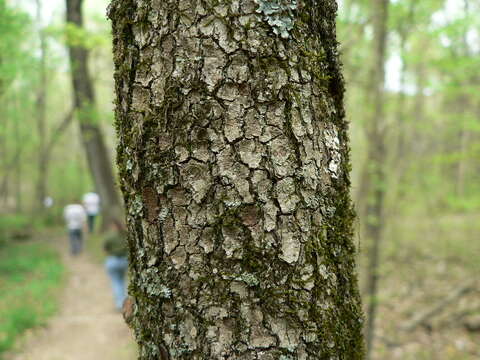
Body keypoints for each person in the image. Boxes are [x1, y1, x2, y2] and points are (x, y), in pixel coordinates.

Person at [104, 220, 128, 310]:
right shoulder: (126, 235)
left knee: (116, 282)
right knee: (122, 281)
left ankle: (119, 304)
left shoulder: (110, 236)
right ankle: (125, 303)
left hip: (113, 260)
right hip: (124, 261)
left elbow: (105, 249)